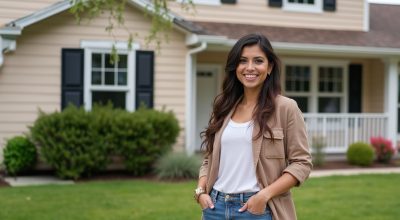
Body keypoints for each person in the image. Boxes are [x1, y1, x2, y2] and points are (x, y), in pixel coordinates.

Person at [194, 33, 312, 220]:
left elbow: (301, 163)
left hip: (257, 209)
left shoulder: (285, 108)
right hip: (214, 207)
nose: (250, 68)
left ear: (269, 67)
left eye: (258, 61)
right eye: (242, 61)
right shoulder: (223, 107)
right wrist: (201, 191)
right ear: (235, 67)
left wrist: (264, 196)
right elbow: (209, 160)